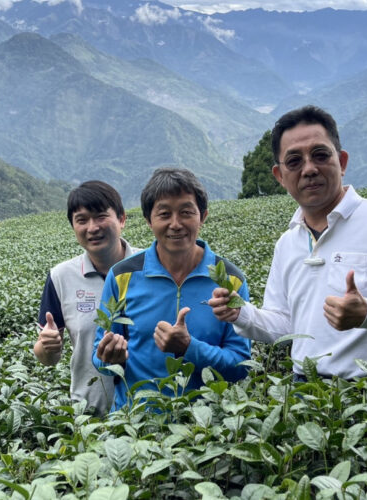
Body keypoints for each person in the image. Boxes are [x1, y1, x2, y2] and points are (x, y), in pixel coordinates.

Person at [209, 105, 367, 380]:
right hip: (305, 392)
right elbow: (286, 325)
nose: (309, 169)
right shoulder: (287, 243)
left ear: (341, 162)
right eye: (294, 161)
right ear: (280, 176)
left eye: (320, 155)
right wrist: (240, 313)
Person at [92, 168, 251, 410]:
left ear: (203, 216)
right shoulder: (122, 276)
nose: (175, 224)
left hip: (207, 429)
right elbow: (98, 354)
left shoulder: (230, 280)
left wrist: (190, 348)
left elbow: (240, 366)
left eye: (186, 212)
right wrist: (108, 357)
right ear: (148, 220)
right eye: (164, 214)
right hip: (134, 424)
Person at [34, 181, 138, 415]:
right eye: (81, 220)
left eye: (101, 216)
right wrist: (48, 346)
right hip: (91, 413)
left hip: (151, 408)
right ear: (73, 226)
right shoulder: (61, 277)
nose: (92, 228)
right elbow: (46, 358)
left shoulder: (151, 266)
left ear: (122, 219)